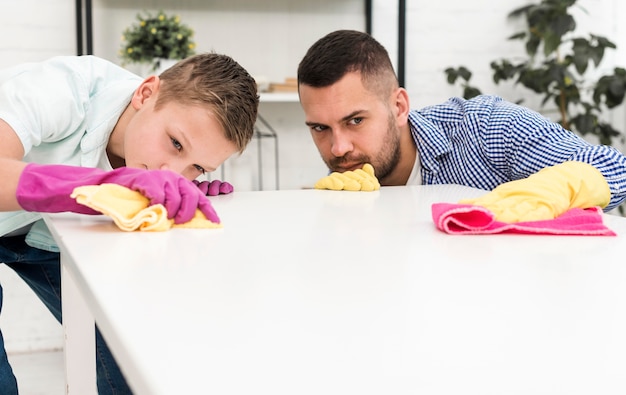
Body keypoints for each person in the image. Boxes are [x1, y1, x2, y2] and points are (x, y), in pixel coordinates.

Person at [0, 52, 259, 394]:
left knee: (130, 360)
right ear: (146, 93)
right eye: (176, 143)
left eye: (197, 167)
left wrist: (179, 194)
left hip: (42, 237)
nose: (173, 172)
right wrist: (102, 187)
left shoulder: (161, 161)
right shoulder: (63, 89)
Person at [297, 29, 626, 221]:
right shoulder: (347, 179)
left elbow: (613, 167)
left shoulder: (484, 128)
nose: (338, 148)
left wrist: (554, 189)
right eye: (320, 128)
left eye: (355, 121)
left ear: (399, 107)